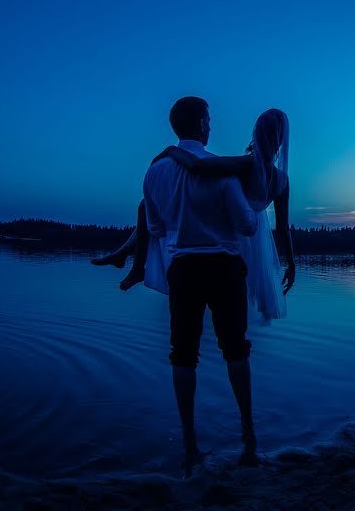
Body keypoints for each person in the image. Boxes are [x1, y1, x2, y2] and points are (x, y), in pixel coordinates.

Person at [140, 96, 262, 477]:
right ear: (200, 123)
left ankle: (190, 443)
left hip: (183, 269)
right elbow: (247, 226)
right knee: (235, 350)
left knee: (183, 353)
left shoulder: (154, 172)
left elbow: (156, 228)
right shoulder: (218, 170)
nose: (211, 124)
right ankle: (248, 433)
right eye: (209, 118)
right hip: (223, 267)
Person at [93, 108, 296, 323]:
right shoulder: (282, 180)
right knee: (147, 207)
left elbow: (198, 166)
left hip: (230, 229)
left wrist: (171, 151)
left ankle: (132, 262)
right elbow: (283, 228)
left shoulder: (247, 164)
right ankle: (127, 257)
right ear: (281, 142)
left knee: (149, 206)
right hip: (253, 237)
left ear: (257, 134)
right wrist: (291, 264)